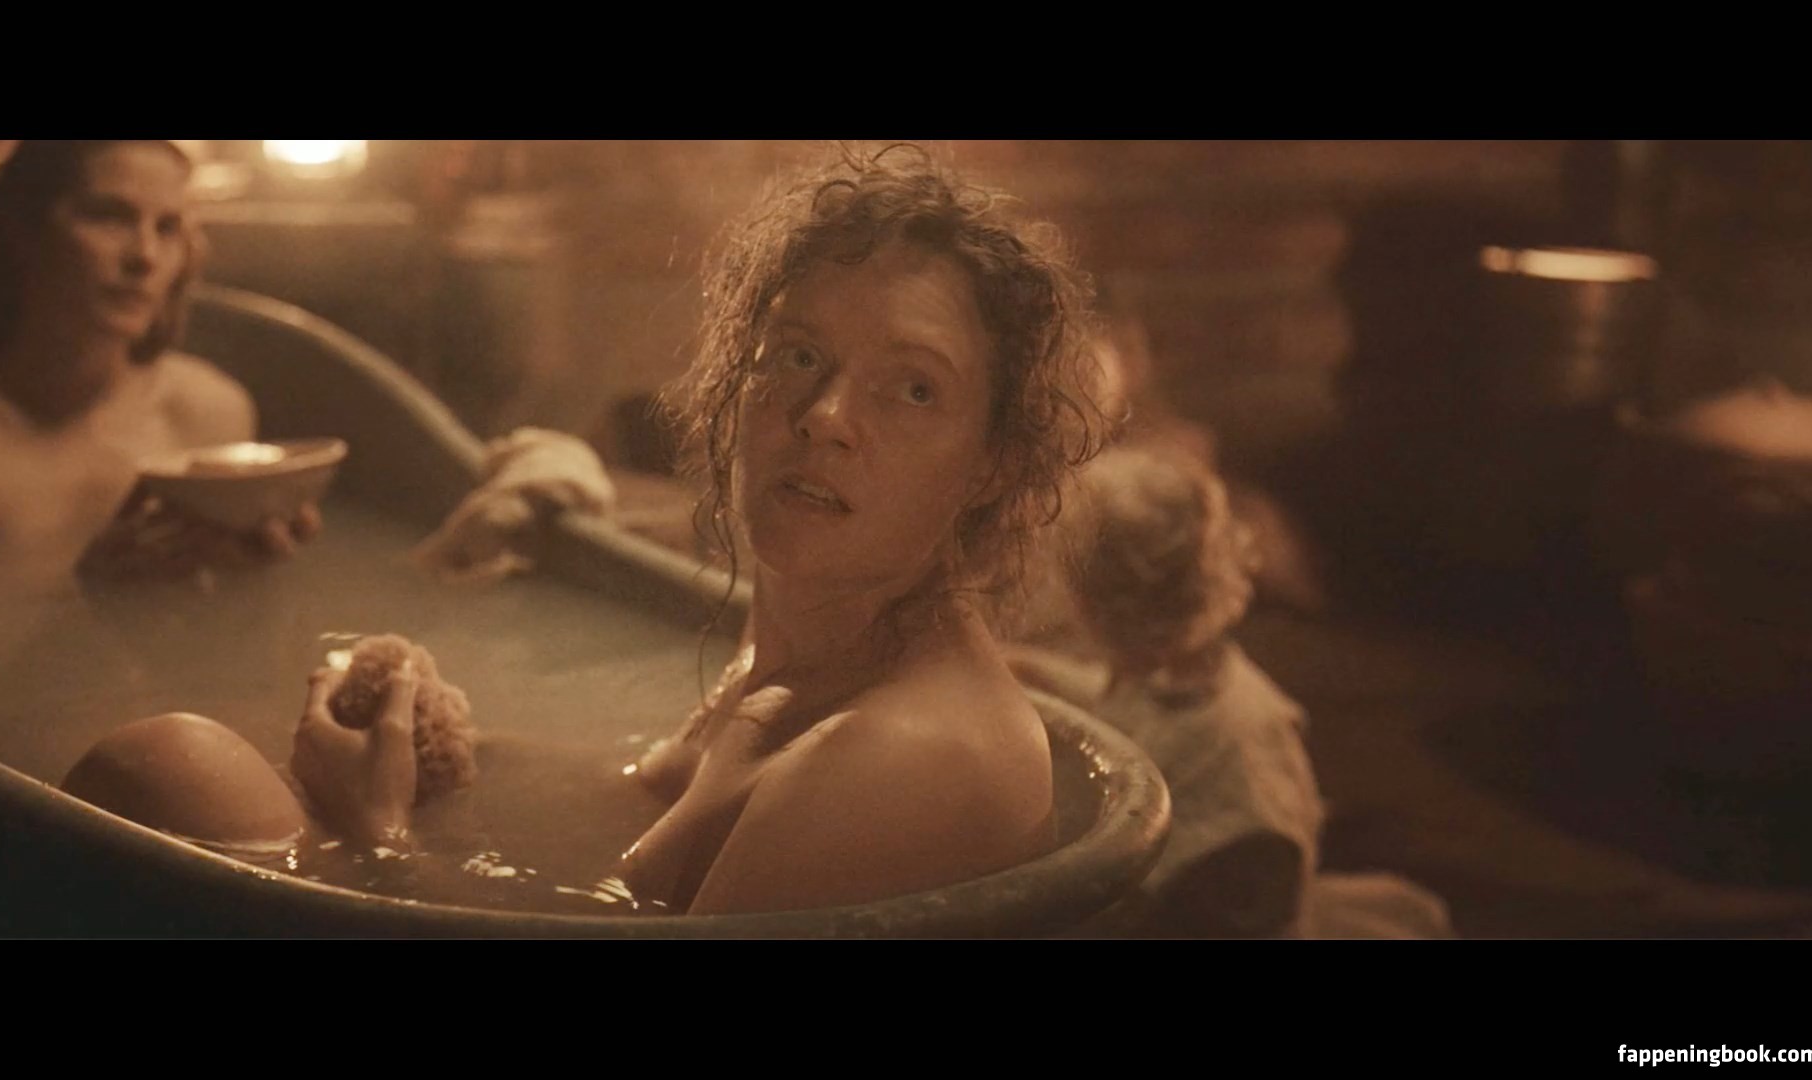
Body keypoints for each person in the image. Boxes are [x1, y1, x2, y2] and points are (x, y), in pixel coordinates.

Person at [293, 143, 1110, 914]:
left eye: (914, 389)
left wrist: (378, 837)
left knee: (216, 781)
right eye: (798, 355)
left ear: (993, 464)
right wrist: (435, 747)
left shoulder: (914, 757)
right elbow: (626, 807)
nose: (825, 415)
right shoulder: (803, 645)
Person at [1009, 443, 1454, 938]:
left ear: (1095, 600)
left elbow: (1219, 905)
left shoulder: (1230, 786)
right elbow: (1130, 696)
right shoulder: (1186, 670)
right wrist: (1032, 671)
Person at [0, 140, 318, 603]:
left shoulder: (206, 414)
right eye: (108, 216)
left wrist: (255, 576)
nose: (145, 255)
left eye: (167, 227)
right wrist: (85, 594)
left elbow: (232, 636)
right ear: (21, 232)